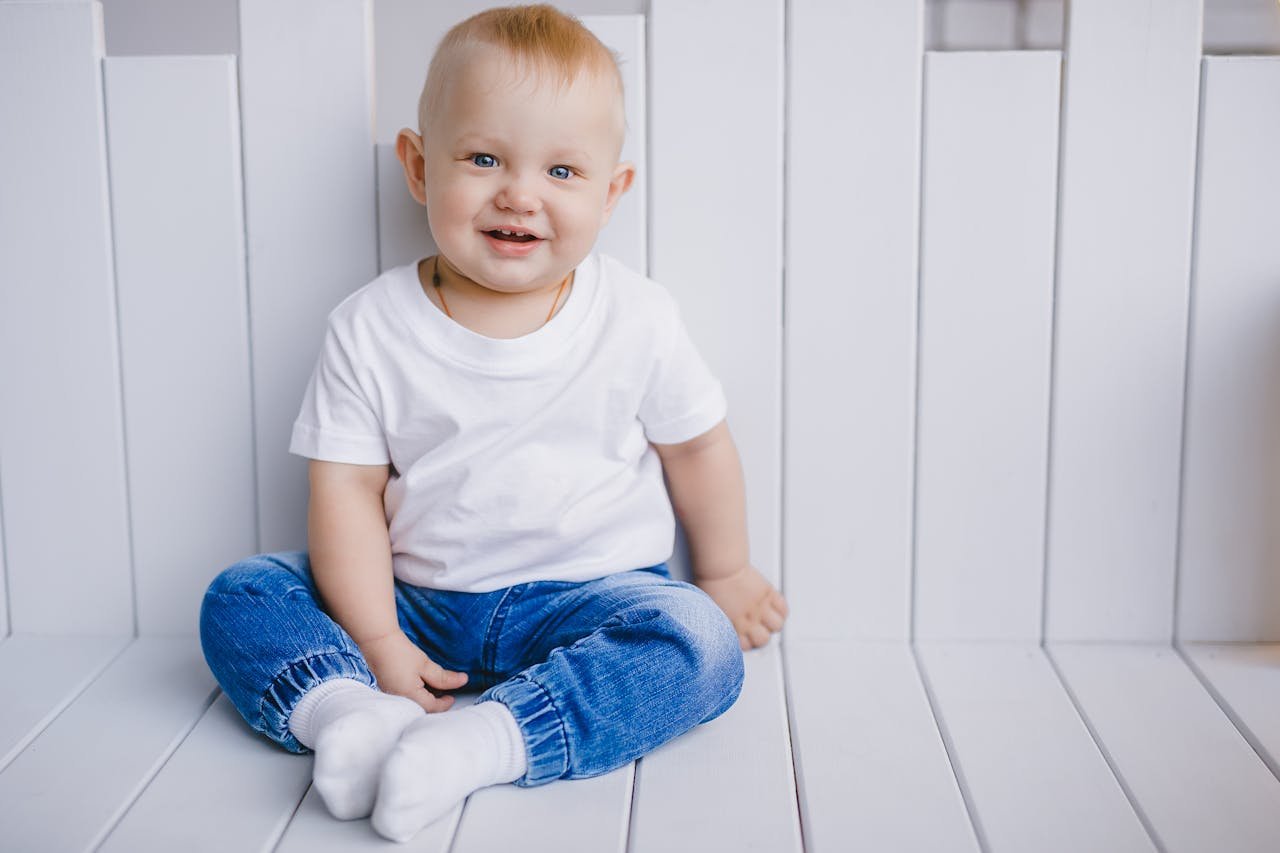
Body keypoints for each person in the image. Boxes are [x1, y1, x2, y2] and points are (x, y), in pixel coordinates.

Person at [199, 3, 788, 843]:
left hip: (593, 596)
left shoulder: (638, 318)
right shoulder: (371, 327)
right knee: (245, 593)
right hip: (417, 604)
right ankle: (346, 715)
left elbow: (697, 446)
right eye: (482, 158)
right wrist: (373, 635)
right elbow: (346, 492)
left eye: (562, 171)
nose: (519, 193)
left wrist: (725, 570)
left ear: (612, 191)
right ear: (418, 165)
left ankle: (489, 740)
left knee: (698, 639)